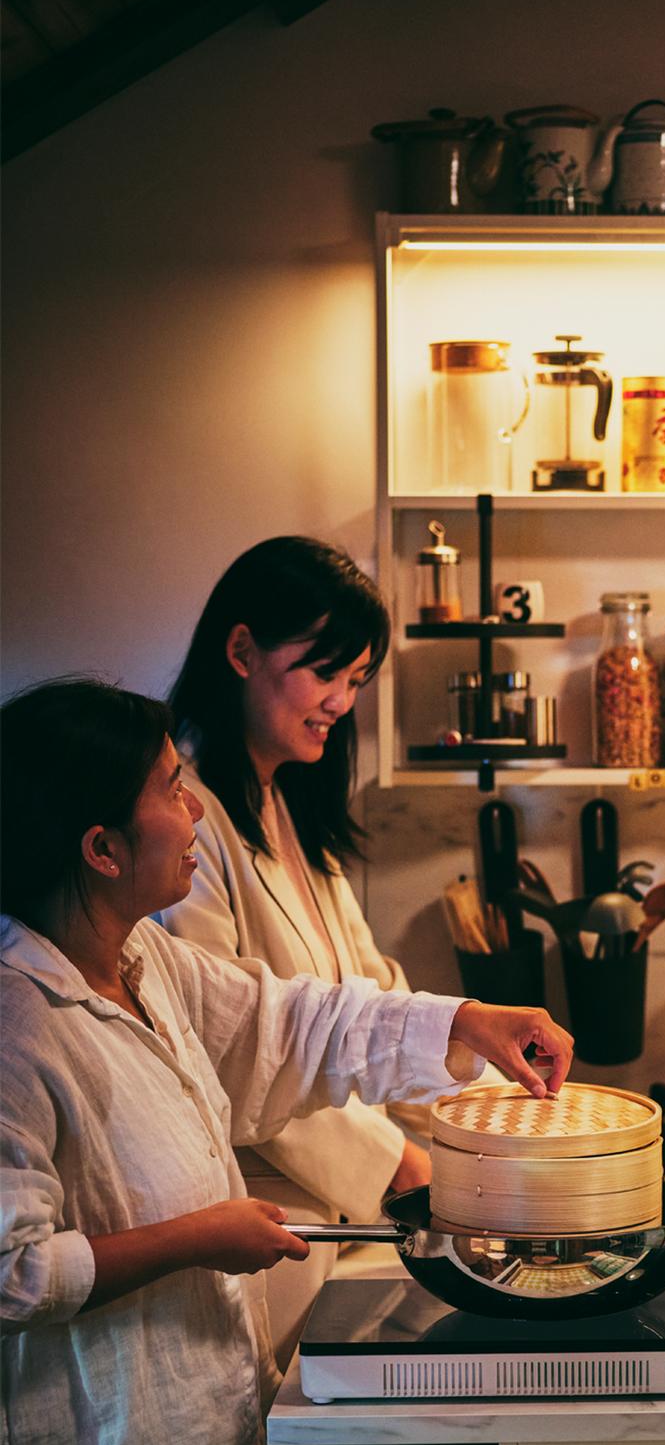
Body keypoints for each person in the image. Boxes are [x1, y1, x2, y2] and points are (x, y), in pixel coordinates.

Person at [0, 678, 572, 1445]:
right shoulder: (19, 1020)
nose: (198, 811)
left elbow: (293, 1023)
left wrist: (468, 1021)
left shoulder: (145, 963)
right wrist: (198, 1238)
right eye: (174, 789)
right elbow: (14, 1270)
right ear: (100, 848)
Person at [160, 537, 459, 1367]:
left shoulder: (288, 807)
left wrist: (486, 1112)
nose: (340, 701)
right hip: (262, 1223)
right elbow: (228, 1050)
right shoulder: (184, 825)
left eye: (356, 681)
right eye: (326, 672)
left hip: (336, 1220)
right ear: (242, 650)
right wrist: (399, 1159)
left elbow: (372, 996)